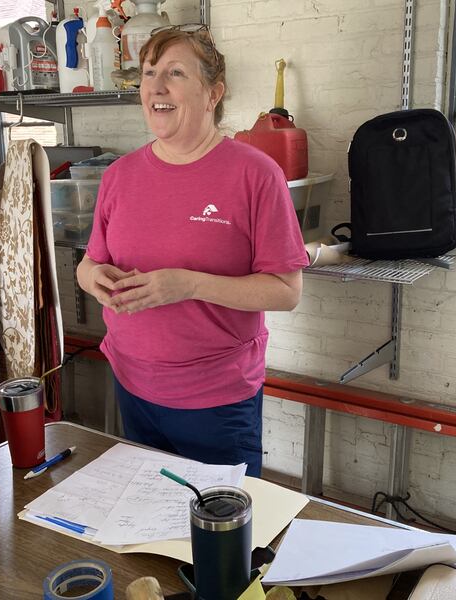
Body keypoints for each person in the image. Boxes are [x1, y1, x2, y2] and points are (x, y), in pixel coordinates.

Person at [76, 24, 308, 477]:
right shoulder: (120, 175)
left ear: (213, 92)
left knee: (219, 539)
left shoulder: (256, 174)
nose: (156, 87)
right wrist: (94, 280)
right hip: (132, 383)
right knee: (148, 528)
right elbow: (90, 263)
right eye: (148, 73)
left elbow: (286, 291)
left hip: (215, 400)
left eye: (175, 73)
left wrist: (189, 285)